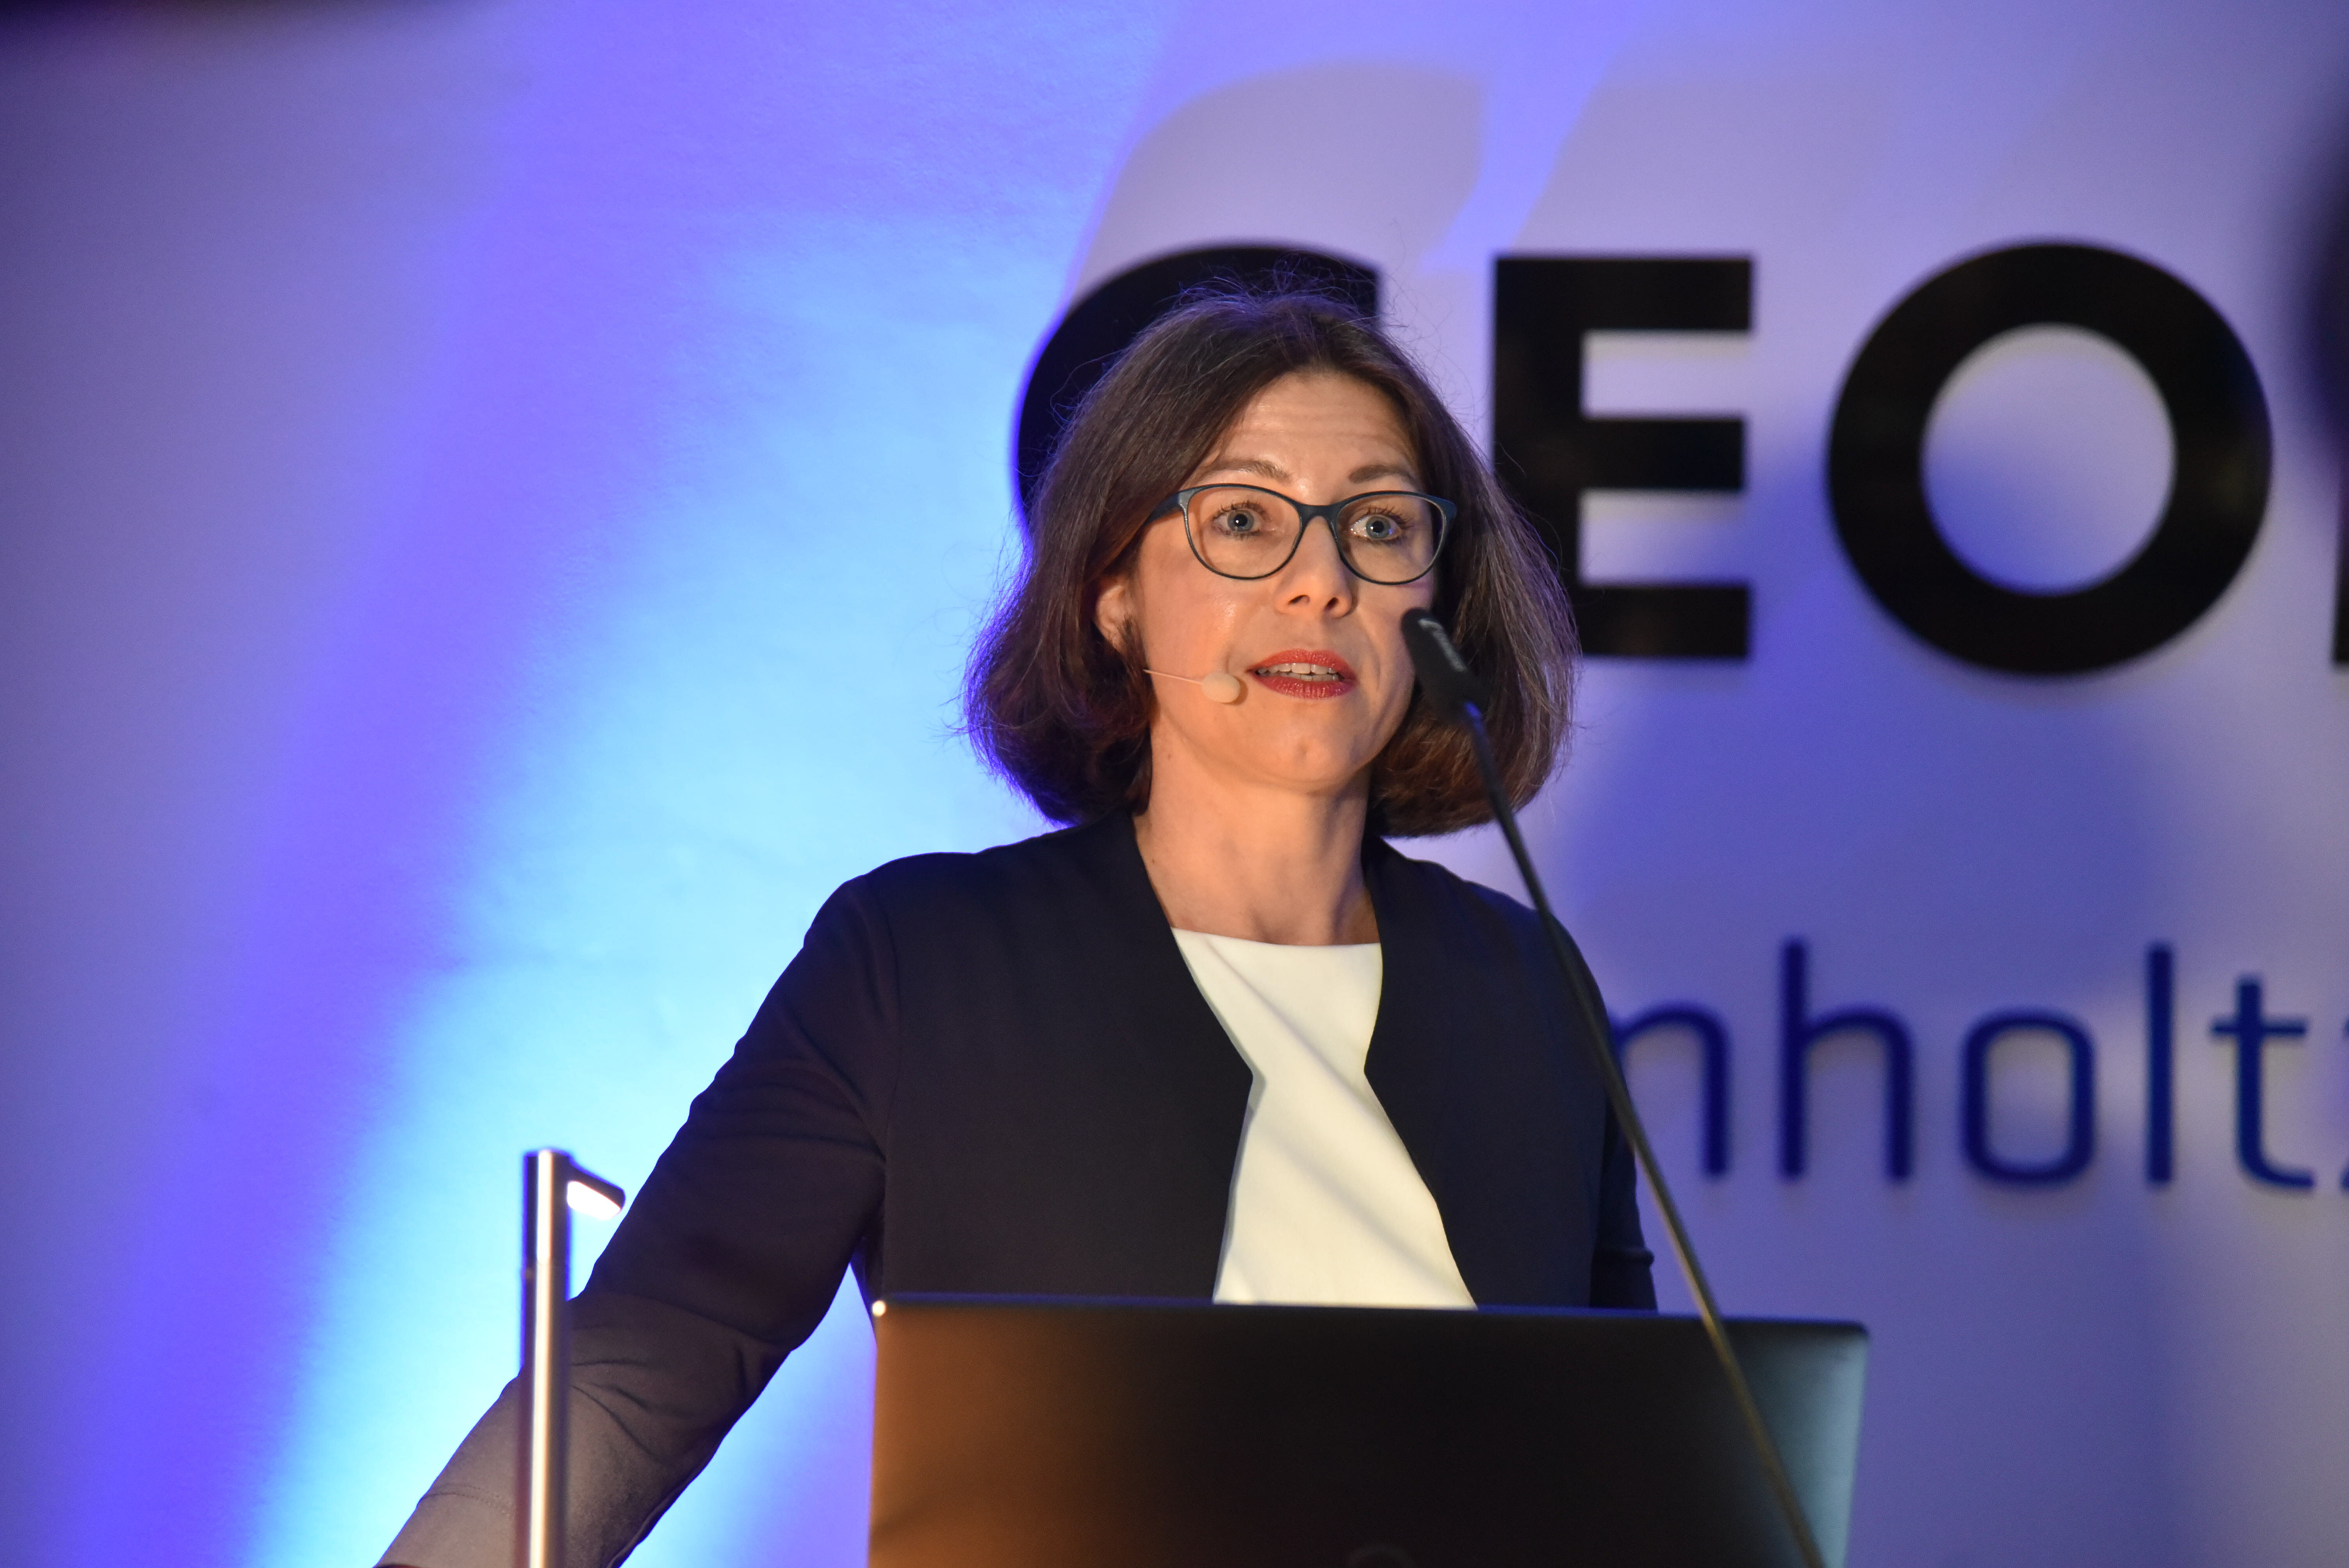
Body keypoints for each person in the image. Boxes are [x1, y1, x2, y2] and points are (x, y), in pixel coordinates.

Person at [380, 289, 1653, 1568]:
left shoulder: (1528, 988)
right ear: (1115, 594)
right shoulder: (920, 963)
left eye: (1379, 527)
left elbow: (1644, 1466)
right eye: (1243, 521)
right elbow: (634, 1371)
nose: (1321, 583)